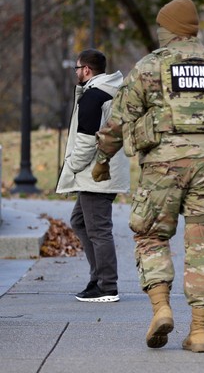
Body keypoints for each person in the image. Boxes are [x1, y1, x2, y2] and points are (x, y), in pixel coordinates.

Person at [93, 0, 204, 353]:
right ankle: (199, 331)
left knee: (150, 234)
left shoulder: (150, 65)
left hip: (162, 166)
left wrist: (102, 160)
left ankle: (161, 308)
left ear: (167, 29)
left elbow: (118, 120)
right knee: (203, 241)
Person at [56, 49, 129, 303]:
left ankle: (107, 286)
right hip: (104, 171)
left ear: (86, 70)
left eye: (77, 68)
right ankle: (98, 278)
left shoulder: (94, 96)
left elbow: (86, 142)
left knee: (98, 229)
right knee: (80, 221)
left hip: (95, 175)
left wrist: (71, 167)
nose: (76, 73)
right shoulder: (111, 92)